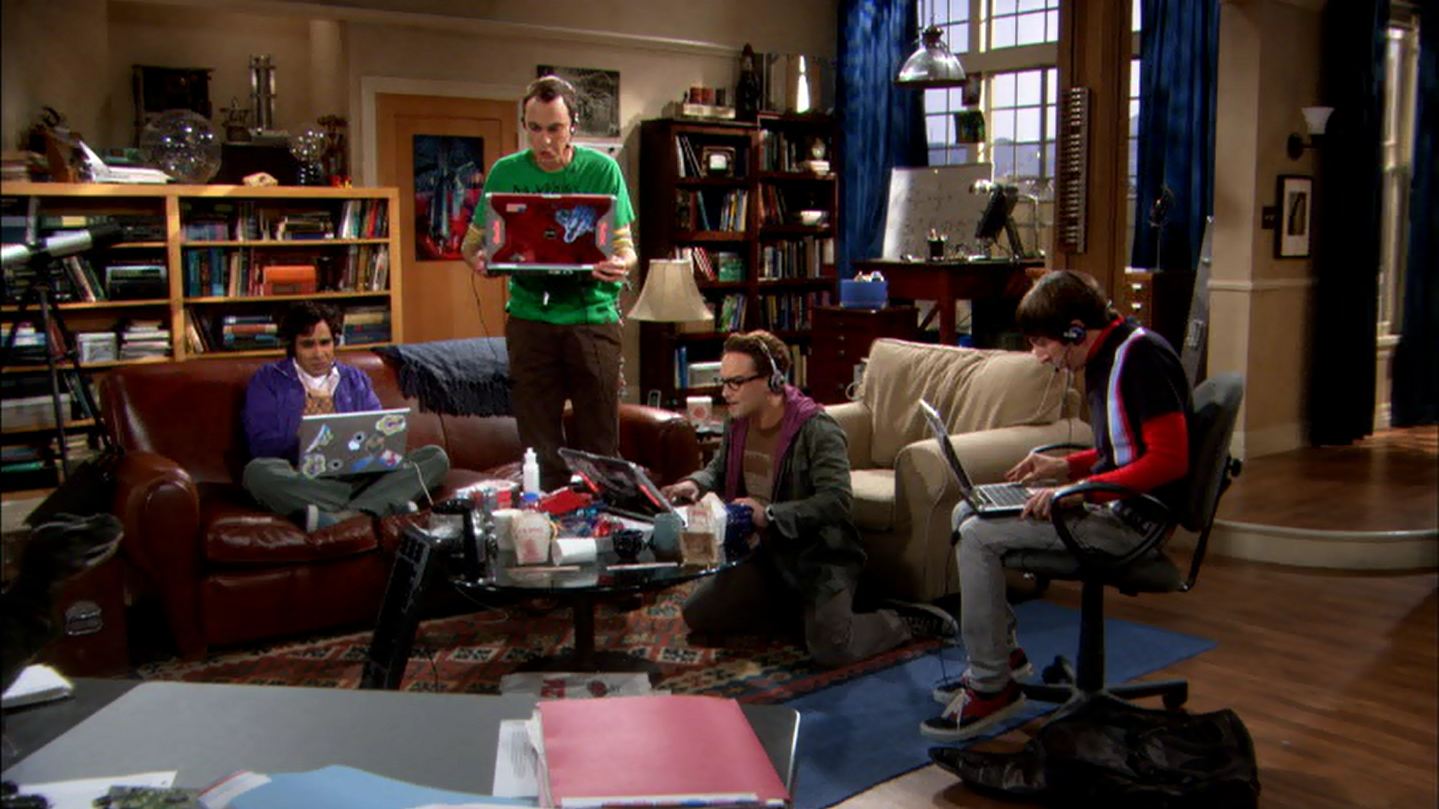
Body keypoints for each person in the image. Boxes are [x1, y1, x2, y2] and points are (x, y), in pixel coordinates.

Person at [921, 270, 1192, 741]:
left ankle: (990, 686)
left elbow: (1170, 460)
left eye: (1042, 342)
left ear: (1075, 331)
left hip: (1132, 524)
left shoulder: (1140, 359)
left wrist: (1079, 491)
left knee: (977, 535)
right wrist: (1064, 467)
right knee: (966, 512)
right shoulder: (1112, 355)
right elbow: (1123, 450)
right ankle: (1002, 656)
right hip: (1114, 507)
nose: (1039, 355)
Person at [661, 331, 956, 667]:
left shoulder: (817, 429)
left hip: (818, 558)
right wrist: (694, 483)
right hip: (762, 554)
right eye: (723, 381)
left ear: (772, 381)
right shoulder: (737, 423)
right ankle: (802, 612)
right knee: (699, 614)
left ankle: (901, 621)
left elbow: (836, 501)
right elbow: (717, 469)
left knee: (833, 647)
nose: (725, 392)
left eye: (736, 382)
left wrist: (769, 514)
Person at [460, 75, 637, 491]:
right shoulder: (506, 172)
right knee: (538, 443)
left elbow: (627, 248)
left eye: (554, 129)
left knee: (600, 441)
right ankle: (548, 516)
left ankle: (604, 513)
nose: (544, 140)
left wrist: (620, 264)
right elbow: (471, 243)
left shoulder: (602, 170)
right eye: (534, 128)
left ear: (572, 125)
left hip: (591, 315)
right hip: (529, 317)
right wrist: (480, 259)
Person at [241, 302, 450, 532]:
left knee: (435, 457)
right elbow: (260, 446)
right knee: (256, 474)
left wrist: (382, 439)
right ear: (293, 346)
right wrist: (302, 435)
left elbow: (377, 432)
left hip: (358, 473)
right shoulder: (268, 380)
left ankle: (344, 515)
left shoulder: (354, 379)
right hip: (302, 476)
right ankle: (380, 505)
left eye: (325, 343)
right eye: (308, 345)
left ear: (335, 342)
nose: (319, 353)